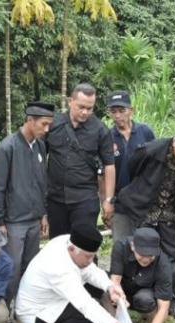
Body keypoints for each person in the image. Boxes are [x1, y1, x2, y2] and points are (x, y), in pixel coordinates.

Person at [111, 121, 175, 320]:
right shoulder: (151, 150)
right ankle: (140, 301)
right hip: (145, 208)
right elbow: (132, 168)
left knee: (172, 255)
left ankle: (172, 302)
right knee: (144, 251)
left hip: (169, 211)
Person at [15, 222, 140, 323]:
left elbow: (91, 271)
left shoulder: (69, 241)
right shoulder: (57, 267)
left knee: (100, 283)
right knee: (85, 315)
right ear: (71, 249)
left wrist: (110, 286)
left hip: (56, 297)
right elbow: (85, 304)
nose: (91, 261)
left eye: (93, 256)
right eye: (88, 256)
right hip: (36, 312)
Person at [0, 101, 55, 323]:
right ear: (29, 120)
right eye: (43, 124)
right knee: (11, 268)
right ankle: (3, 311)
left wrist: (43, 213)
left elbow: (41, 183)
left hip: (34, 218)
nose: (46, 129)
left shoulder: (40, 146)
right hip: (13, 221)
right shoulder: (7, 148)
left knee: (30, 267)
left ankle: (24, 309)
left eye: (49, 125)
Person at [45, 83, 115, 237]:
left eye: (89, 108)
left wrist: (108, 199)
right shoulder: (53, 124)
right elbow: (40, 158)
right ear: (71, 102)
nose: (85, 112)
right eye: (81, 107)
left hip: (85, 198)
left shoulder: (100, 130)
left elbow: (109, 165)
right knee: (58, 245)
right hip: (56, 199)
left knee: (84, 244)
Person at [109, 228, 172, 323]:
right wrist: (118, 296)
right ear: (133, 246)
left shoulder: (163, 263)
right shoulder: (121, 247)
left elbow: (163, 307)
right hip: (123, 289)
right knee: (106, 289)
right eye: (142, 254)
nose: (146, 259)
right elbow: (115, 281)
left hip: (145, 294)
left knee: (145, 299)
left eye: (151, 256)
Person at [106, 90, 155, 195]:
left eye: (122, 110)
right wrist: (107, 200)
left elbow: (154, 163)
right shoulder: (107, 137)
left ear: (131, 111)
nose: (117, 116)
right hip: (119, 198)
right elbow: (104, 172)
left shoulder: (145, 132)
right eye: (113, 111)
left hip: (143, 196)